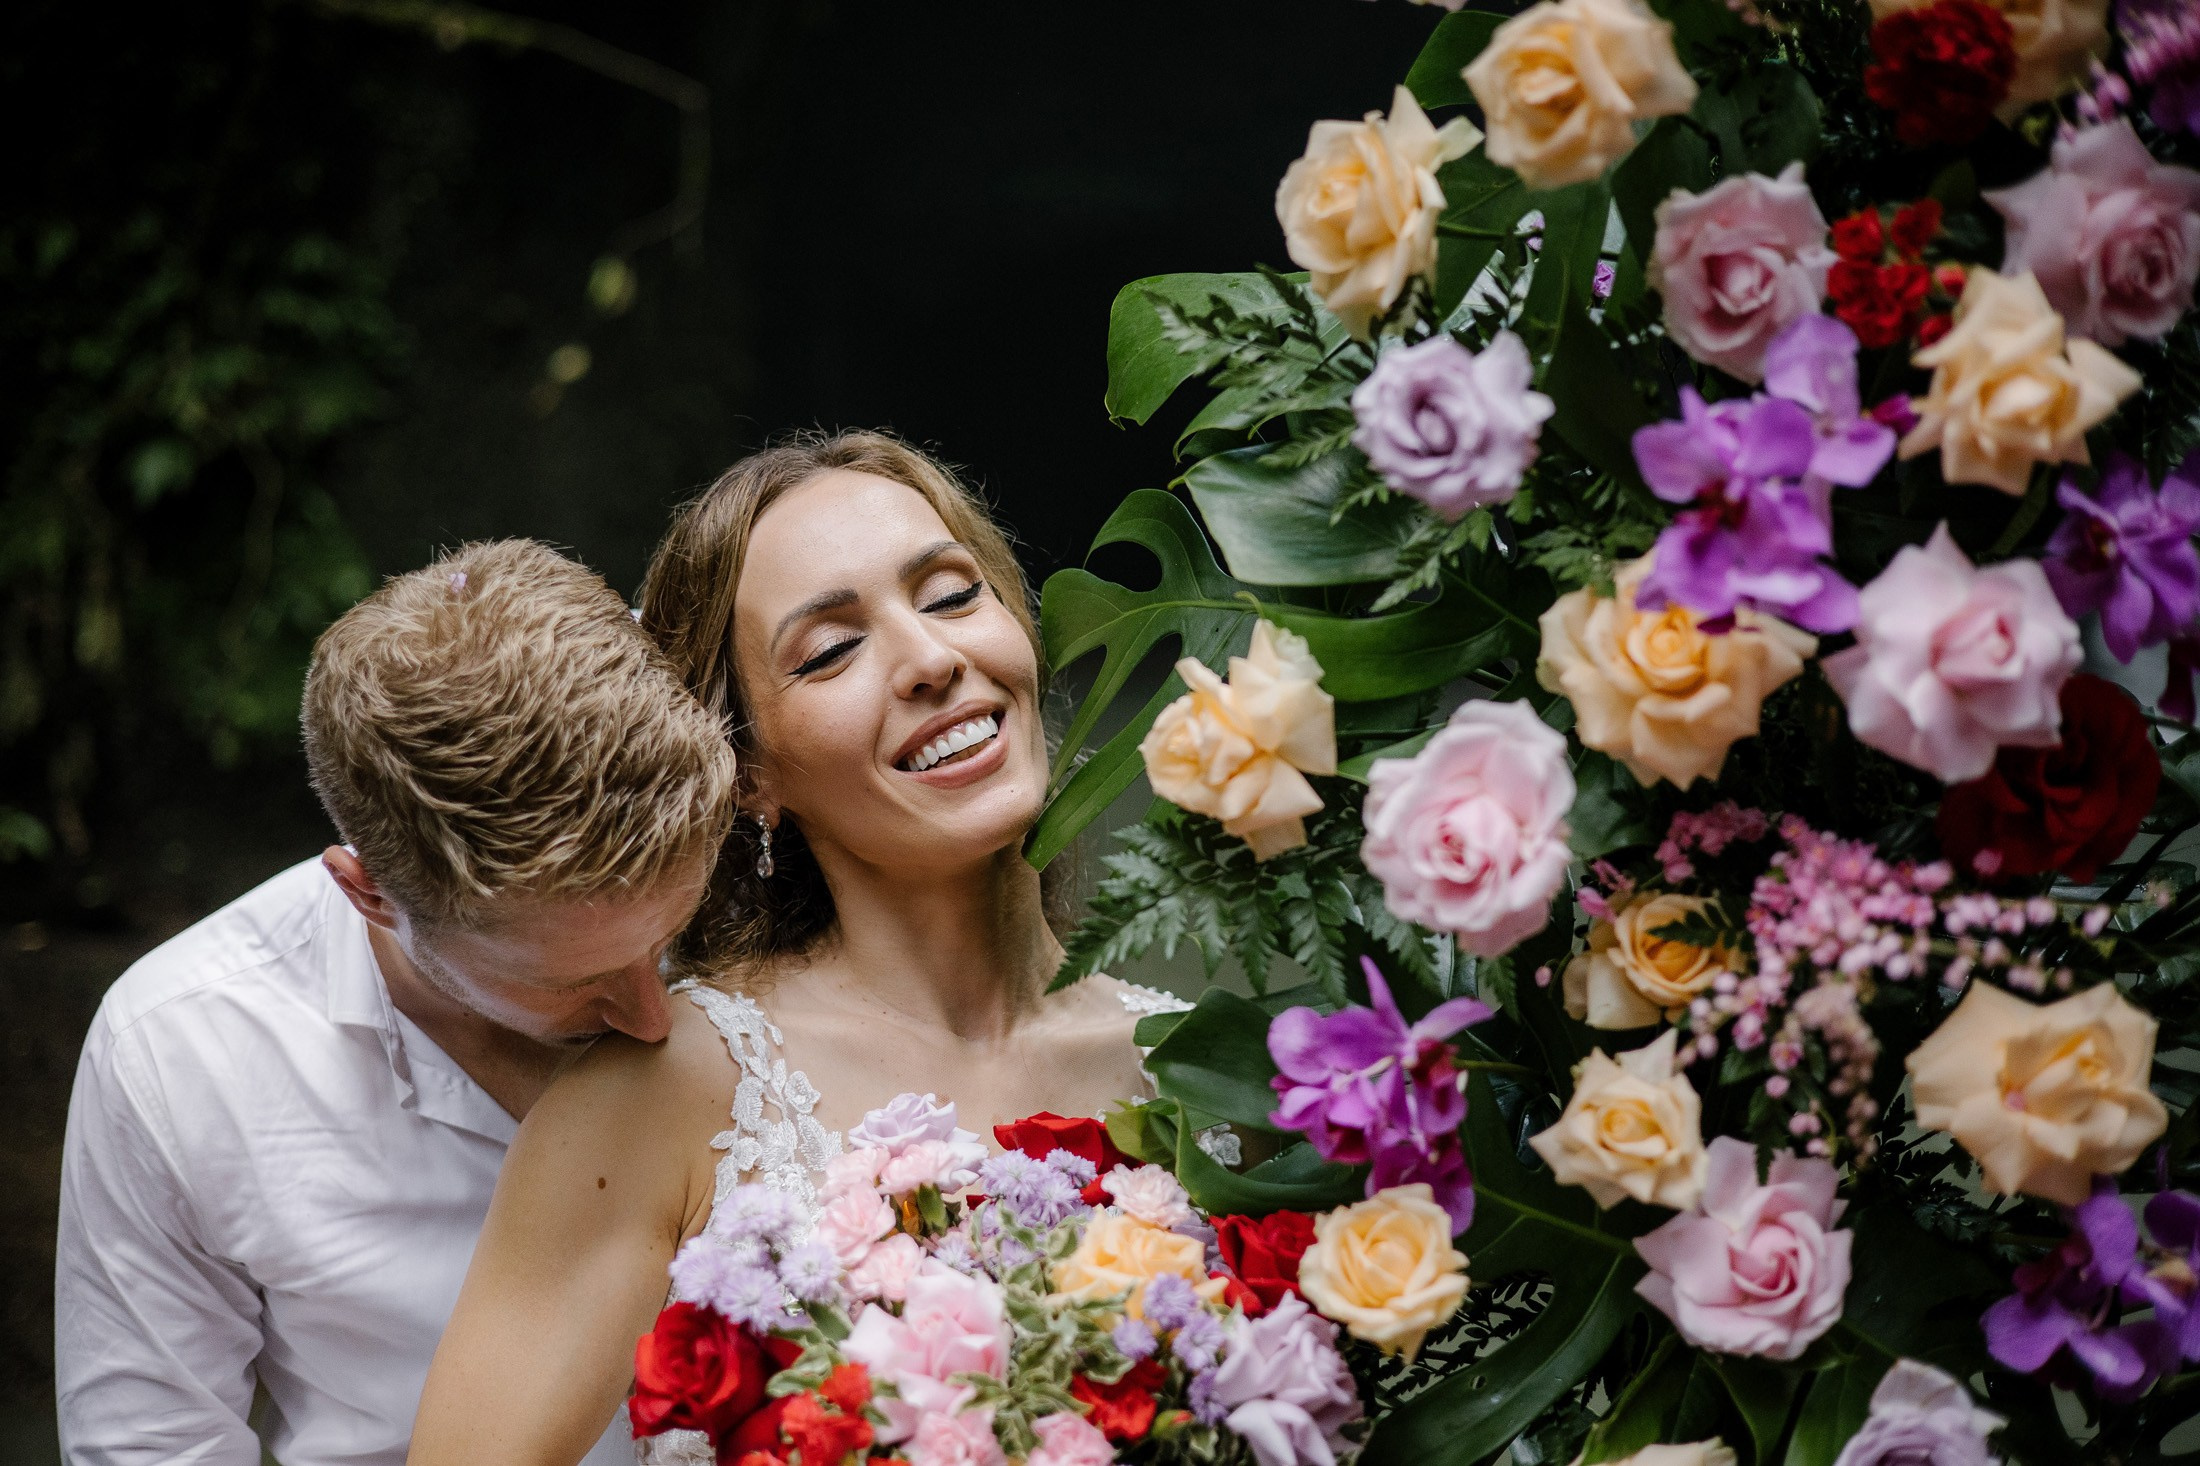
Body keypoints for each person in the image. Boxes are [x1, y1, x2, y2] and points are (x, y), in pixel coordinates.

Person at [408, 432, 1189, 1466]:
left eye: (953, 594)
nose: (931, 659)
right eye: (829, 650)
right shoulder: (664, 1094)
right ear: (748, 774)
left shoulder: (1191, 1066)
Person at [54, 540, 739, 1466]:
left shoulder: (781, 897)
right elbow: (152, 1447)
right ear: (367, 891)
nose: (654, 1015)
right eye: (569, 981)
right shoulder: (182, 1051)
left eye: (669, 936)